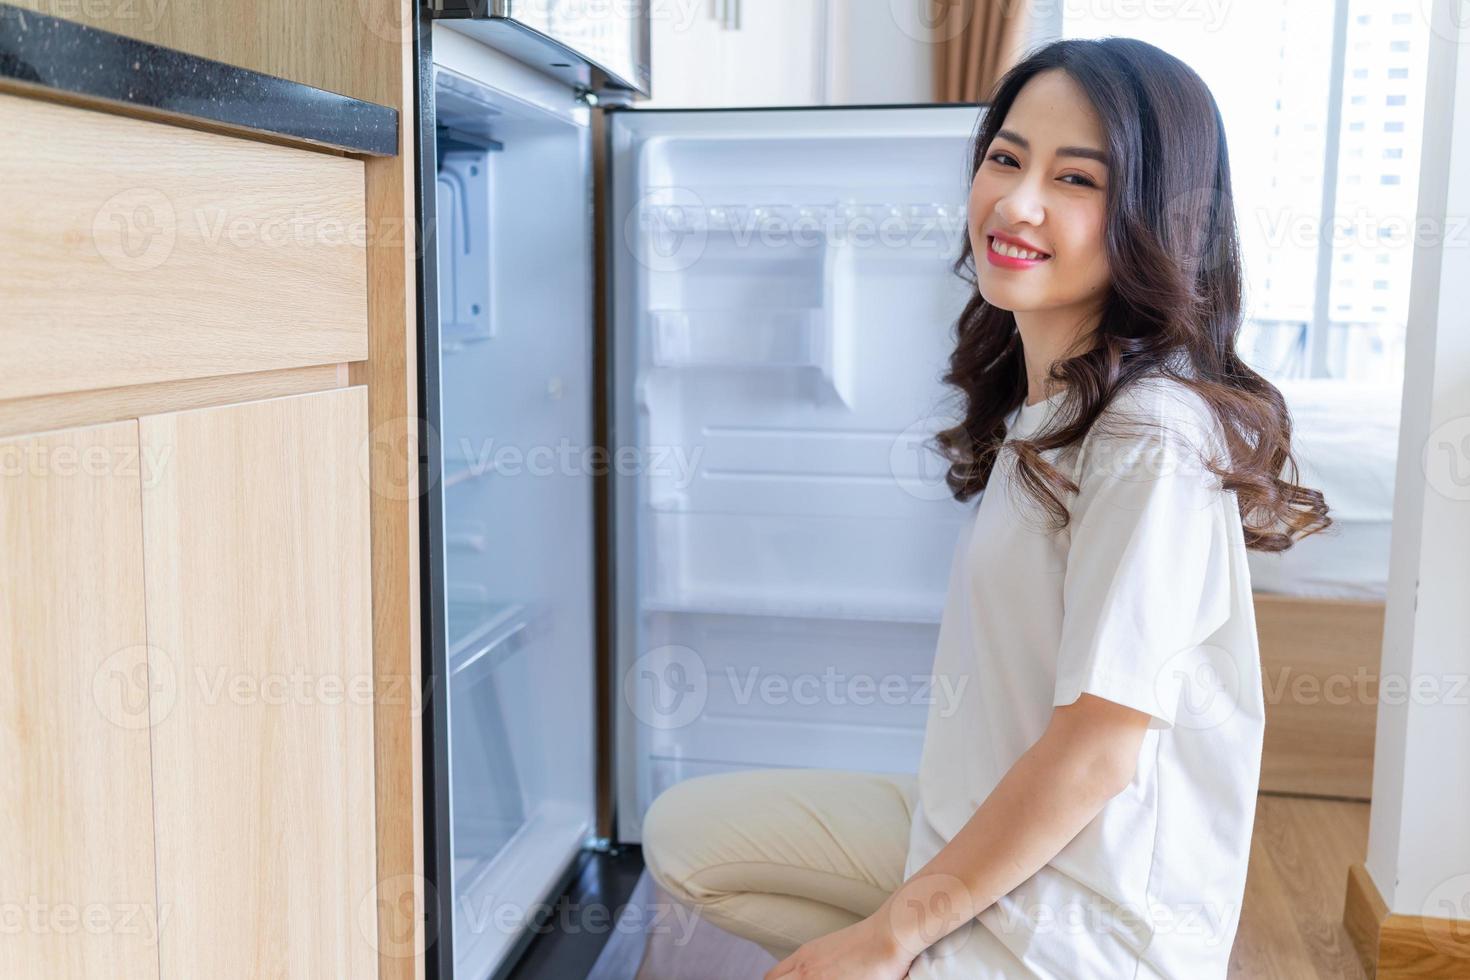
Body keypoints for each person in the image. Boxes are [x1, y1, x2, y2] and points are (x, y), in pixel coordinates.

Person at [639, 36, 1330, 980]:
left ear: (1157, 220)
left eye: (1077, 180)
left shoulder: (1149, 434)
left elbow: (1095, 757)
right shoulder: (1055, 403)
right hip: (980, 825)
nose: (1017, 203)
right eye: (1006, 158)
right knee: (687, 834)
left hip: (1090, 922)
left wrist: (888, 936)